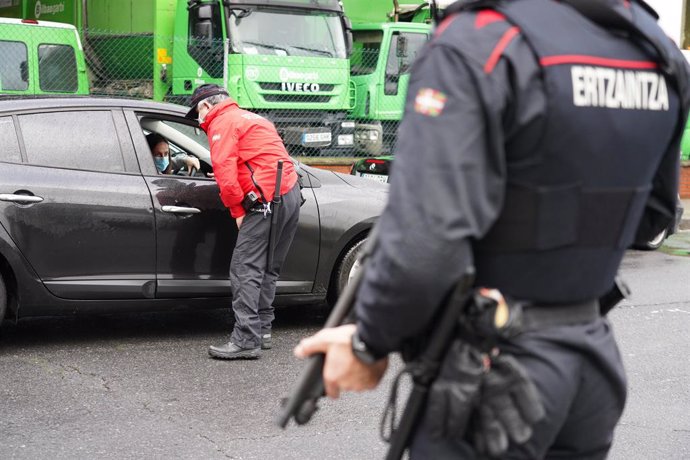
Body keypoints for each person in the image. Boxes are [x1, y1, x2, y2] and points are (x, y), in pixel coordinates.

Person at [294, 0, 690, 458]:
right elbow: (653, 218)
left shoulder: (481, 40)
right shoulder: (654, 46)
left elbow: (426, 244)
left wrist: (368, 342)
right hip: (591, 364)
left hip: (493, 374)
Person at [187, 84, 301, 360]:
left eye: (198, 113)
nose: (199, 121)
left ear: (205, 106)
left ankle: (245, 339)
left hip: (262, 201)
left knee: (244, 269)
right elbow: (261, 158)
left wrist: (238, 211)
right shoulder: (253, 118)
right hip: (290, 192)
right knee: (268, 267)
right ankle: (262, 330)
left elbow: (225, 173)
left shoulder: (222, 123)